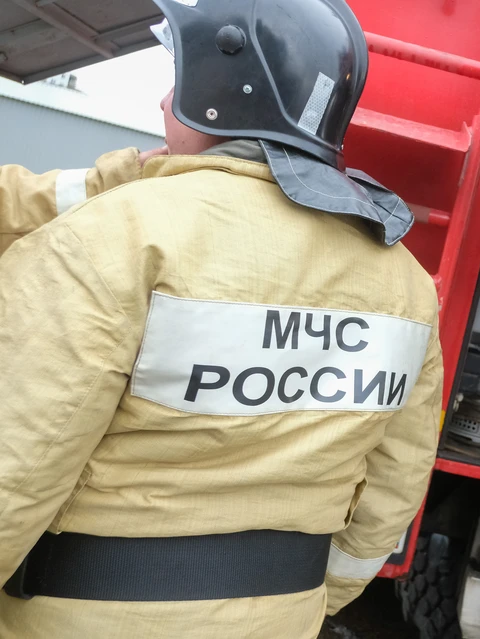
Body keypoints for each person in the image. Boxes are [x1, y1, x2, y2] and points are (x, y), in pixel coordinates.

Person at [0, 0, 442, 636]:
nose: (163, 101)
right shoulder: (407, 283)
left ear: (220, 93)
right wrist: (302, 603)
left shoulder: (112, 239)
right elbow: (394, 490)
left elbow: (16, 470)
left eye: (179, 78)